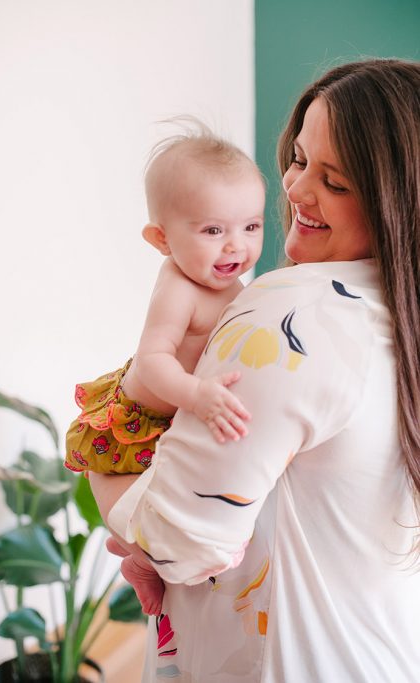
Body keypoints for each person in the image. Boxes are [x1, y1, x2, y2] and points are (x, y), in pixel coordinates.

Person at [90, 58, 420, 682]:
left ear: (397, 201)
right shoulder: (399, 308)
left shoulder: (296, 312)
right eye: (298, 158)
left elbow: (179, 544)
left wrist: (92, 453)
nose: (294, 191)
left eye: (336, 182)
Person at [64, 124, 266, 615]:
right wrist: (197, 394)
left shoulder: (236, 284)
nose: (235, 246)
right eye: (213, 230)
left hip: (173, 424)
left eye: (251, 227)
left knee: (163, 519)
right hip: (136, 424)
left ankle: (142, 564)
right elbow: (155, 360)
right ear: (161, 238)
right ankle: (136, 561)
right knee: (141, 526)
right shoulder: (179, 285)